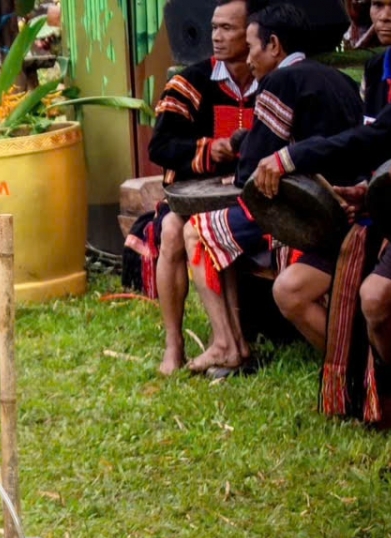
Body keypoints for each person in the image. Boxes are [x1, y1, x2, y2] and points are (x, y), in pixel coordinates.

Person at [182, 4, 363, 376]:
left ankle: (226, 345)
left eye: (251, 48)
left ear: (275, 46)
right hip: (350, 211)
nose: (247, 59)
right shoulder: (340, 80)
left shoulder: (280, 82)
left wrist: (243, 148)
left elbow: (251, 169)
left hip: (309, 219)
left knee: (195, 231)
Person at [252, 0, 391, 355]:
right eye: (378, 4)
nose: (383, 15)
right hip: (381, 211)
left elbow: (378, 135)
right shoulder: (377, 66)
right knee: (289, 290)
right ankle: (361, 382)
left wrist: (291, 155)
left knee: (376, 298)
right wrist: (364, 191)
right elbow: (374, 147)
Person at [139, 0, 262, 375]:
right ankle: (174, 345)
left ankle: (232, 340)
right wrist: (210, 150)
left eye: (228, 28)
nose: (217, 37)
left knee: (197, 231)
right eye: (214, 28)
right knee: (174, 231)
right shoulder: (190, 82)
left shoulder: (271, 80)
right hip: (192, 198)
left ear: (252, 33)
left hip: (253, 200)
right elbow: (159, 147)